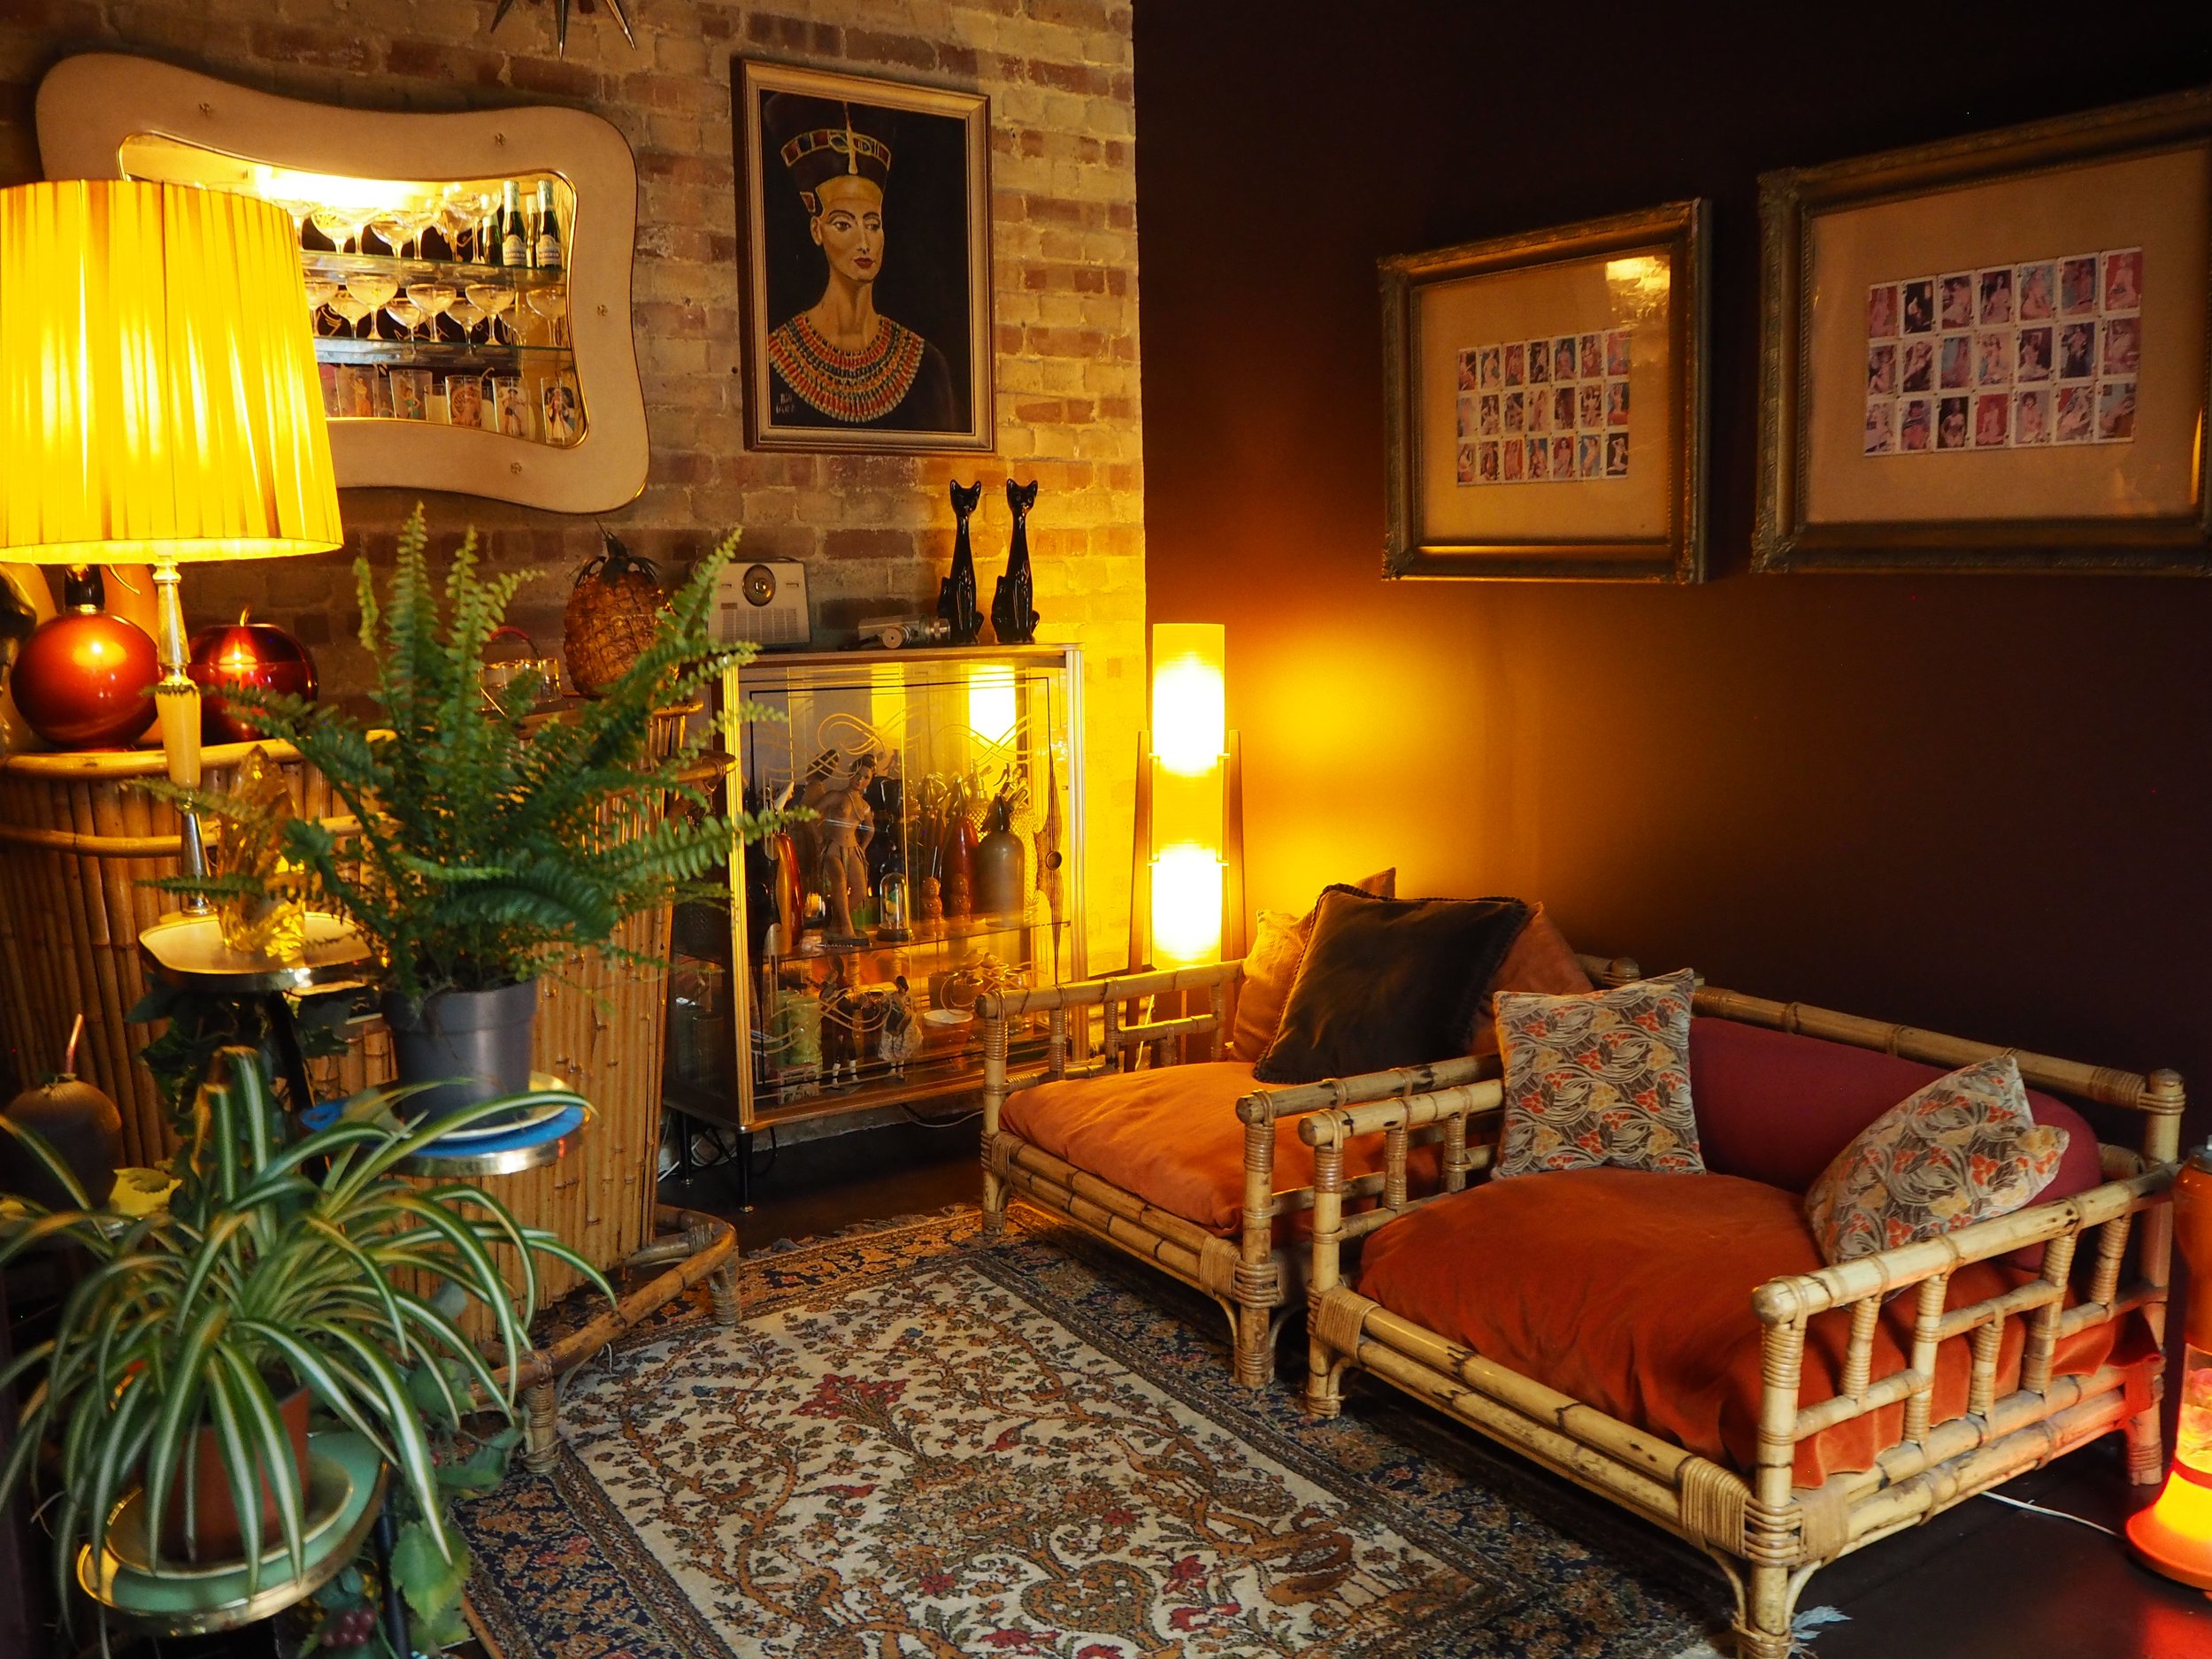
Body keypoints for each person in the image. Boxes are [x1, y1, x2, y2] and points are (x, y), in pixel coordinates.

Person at [761, 94, 958, 431]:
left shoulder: (927, 366)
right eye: (843, 224)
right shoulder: (775, 359)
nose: (863, 242)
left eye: (872, 224)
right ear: (817, 230)